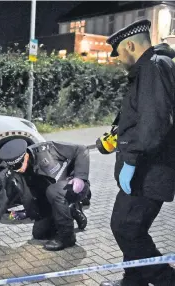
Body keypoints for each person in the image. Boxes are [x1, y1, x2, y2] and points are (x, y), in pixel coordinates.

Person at [100, 19, 175, 286]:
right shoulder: (151, 68)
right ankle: (133, 281)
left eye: (119, 52)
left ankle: (167, 279)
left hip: (148, 170)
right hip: (143, 169)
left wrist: (130, 160)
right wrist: (115, 137)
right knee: (132, 228)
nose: (118, 59)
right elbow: (140, 117)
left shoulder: (153, 67)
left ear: (130, 45)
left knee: (126, 228)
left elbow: (154, 122)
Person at [0, 139, 90, 251]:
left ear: (26, 155)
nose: (17, 170)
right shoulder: (14, 174)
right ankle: (71, 211)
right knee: (39, 234)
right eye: (13, 167)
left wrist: (80, 176)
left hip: (73, 187)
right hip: (50, 200)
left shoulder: (48, 149)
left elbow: (81, 149)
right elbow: (2, 201)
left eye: (18, 165)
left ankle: (67, 237)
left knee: (53, 191)